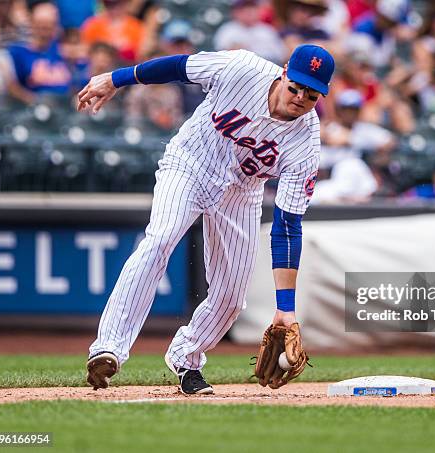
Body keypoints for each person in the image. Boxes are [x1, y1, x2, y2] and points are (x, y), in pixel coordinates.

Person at [78, 44, 334, 394]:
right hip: (190, 164)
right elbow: (178, 67)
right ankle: (108, 348)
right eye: (296, 86)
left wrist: (285, 310)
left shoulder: (306, 143)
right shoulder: (241, 67)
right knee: (161, 239)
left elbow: (288, 226)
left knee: (231, 299)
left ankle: (187, 357)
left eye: (312, 93)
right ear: (285, 70)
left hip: (241, 192)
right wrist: (115, 79)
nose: (301, 97)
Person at [7, 1, 73, 100]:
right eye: (42, 26)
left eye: (50, 26)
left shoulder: (62, 51)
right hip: (34, 109)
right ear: (32, 23)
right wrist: (33, 101)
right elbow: (12, 86)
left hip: (64, 106)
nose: (45, 32)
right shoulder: (18, 52)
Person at [214, 0, 285, 64]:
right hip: (238, 68)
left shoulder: (267, 30)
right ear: (235, 12)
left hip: (266, 67)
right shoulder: (227, 30)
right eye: (244, 9)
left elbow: (281, 55)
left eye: (252, 8)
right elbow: (220, 56)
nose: (249, 12)